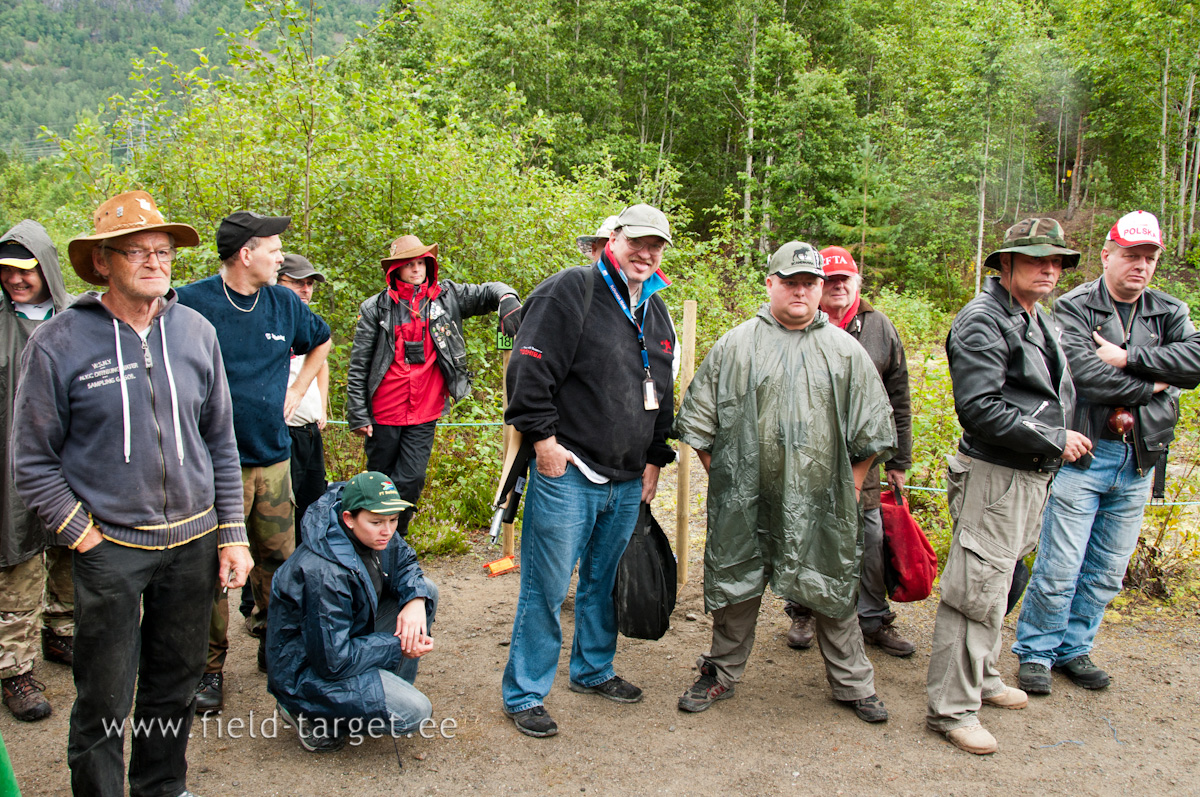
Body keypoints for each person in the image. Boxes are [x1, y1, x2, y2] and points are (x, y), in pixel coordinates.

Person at [12, 190, 251, 795]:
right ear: (102, 263)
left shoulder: (196, 332)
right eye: (137, 251)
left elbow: (221, 442)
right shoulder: (60, 342)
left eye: (164, 251)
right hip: (110, 547)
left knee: (174, 683)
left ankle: (160, 788)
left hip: (193, 544)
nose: (155, 262)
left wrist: (232, 533)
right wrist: (80, 534)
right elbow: (32, 458)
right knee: (104, 695)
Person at [673, 241, 897, 723]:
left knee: (832, 584)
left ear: (820, 288)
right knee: (738, 581)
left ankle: (853, 683)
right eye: (790, 282)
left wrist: (852, 484)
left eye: (809, 283)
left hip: (824, 499)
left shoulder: (845, 352)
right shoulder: (736, 345)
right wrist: (727, 478)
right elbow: (699, 421)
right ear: (770, 284)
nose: (800, 291)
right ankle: (721, 672)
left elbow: (875, 428)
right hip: (746, 498)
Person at [501, 204, 677, 738]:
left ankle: (593, 670)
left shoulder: (657, 310)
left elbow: (662, 394)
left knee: (603, 582)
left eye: (657, 246)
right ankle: (526, 692)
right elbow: (527, 372)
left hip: (627, 478)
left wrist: (654, 460)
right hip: (569, 471)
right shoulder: (571, 290)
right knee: (546, 586)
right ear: (613, 239)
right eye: (637, 242)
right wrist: (545, 444)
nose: (646, 253)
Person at [1013, 211, 1200, 695]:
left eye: (1150, 257)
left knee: (1106, 570)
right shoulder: (1075, 307)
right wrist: (1162, 380)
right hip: (1084, 453)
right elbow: (1087, 378)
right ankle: (1036, 651)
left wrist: (1130, 358)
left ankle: (1074, 648)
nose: (1141, 265)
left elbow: (1196, 361)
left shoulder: (1169, 310)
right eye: (1131, 255)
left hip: (1140, 457)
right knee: (1059, 563)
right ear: (1107, 254)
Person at [928, 218, 1092, 755]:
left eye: (1057, 262)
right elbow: (979, 410)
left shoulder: (1033, 317)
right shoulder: (982, 320)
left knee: (1002, 580)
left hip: (1027, 477)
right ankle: (953, 709)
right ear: (1005, 264)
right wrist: (1053, 437)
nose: (1050, 269)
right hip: (997, 475)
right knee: (974, 590)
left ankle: (985, 676)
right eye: (1036, 260)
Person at [176, 211, 331, 712]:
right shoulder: (190, 304)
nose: (281, 256)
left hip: (274, 460)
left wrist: (300, 388)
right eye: (274, 248)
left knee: (280, 563)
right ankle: (208, 669)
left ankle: (276, 647)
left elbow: (321, 340)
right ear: (246, 254)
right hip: (211, 469)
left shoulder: (284, 302)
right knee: (212, 573)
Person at [781, 245, 915, 658]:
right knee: (803, 532)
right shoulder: (797, 323)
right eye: (831, 279)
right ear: (818, 285)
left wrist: (900, 460)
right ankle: (802, 611)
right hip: (804, 454)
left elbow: (899, 396)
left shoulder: (879, 327)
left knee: (870, 537)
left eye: (846, 278)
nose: (839, 286)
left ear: (857, 281)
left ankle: (873, 618)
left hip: (865, 457)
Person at [345, 234, 521, 539]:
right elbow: (359, 364)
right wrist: (358, 413)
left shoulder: (447, 296)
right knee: (380, 482)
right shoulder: (376, 308)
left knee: (411, 479)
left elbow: (489, 292)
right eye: (408, 264)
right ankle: (369, 546)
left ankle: (395, 541)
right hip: (383, 411)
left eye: (421, 262)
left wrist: (507, 298)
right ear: (395, 270)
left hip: (424, 410)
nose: (416, 269)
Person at [268, 472, 437, 753]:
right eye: (377, 522)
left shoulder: (374, 529)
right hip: (307, 670)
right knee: (414, 711)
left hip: (342, 639)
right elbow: (333, 661)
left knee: (426, 590)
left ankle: (390, 687)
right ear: (349, 518)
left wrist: (416, 599)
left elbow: (404, 560)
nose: (387, 530)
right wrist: (399, 646)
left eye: (393, 520)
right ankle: (303, 712)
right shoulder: (324, 572)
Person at [0, 221, 74, 722]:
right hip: (10, 461)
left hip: (72, 459)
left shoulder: (76, 318)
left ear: (46, 268)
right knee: (17, 562)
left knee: (73, 547)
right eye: (5, 272)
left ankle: (64, 633)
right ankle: (14, 669)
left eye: (24, 270)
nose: (15, 280)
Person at [277, 253, 330, 538]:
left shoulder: (310, 322)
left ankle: (305, 570)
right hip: (283, 432)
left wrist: (321, 406)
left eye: (310, 283)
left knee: (313, 506)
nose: (306, 289)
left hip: (310, 430)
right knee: (281, 511)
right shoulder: (269, 319)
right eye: (298, 282)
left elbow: (322, 362)